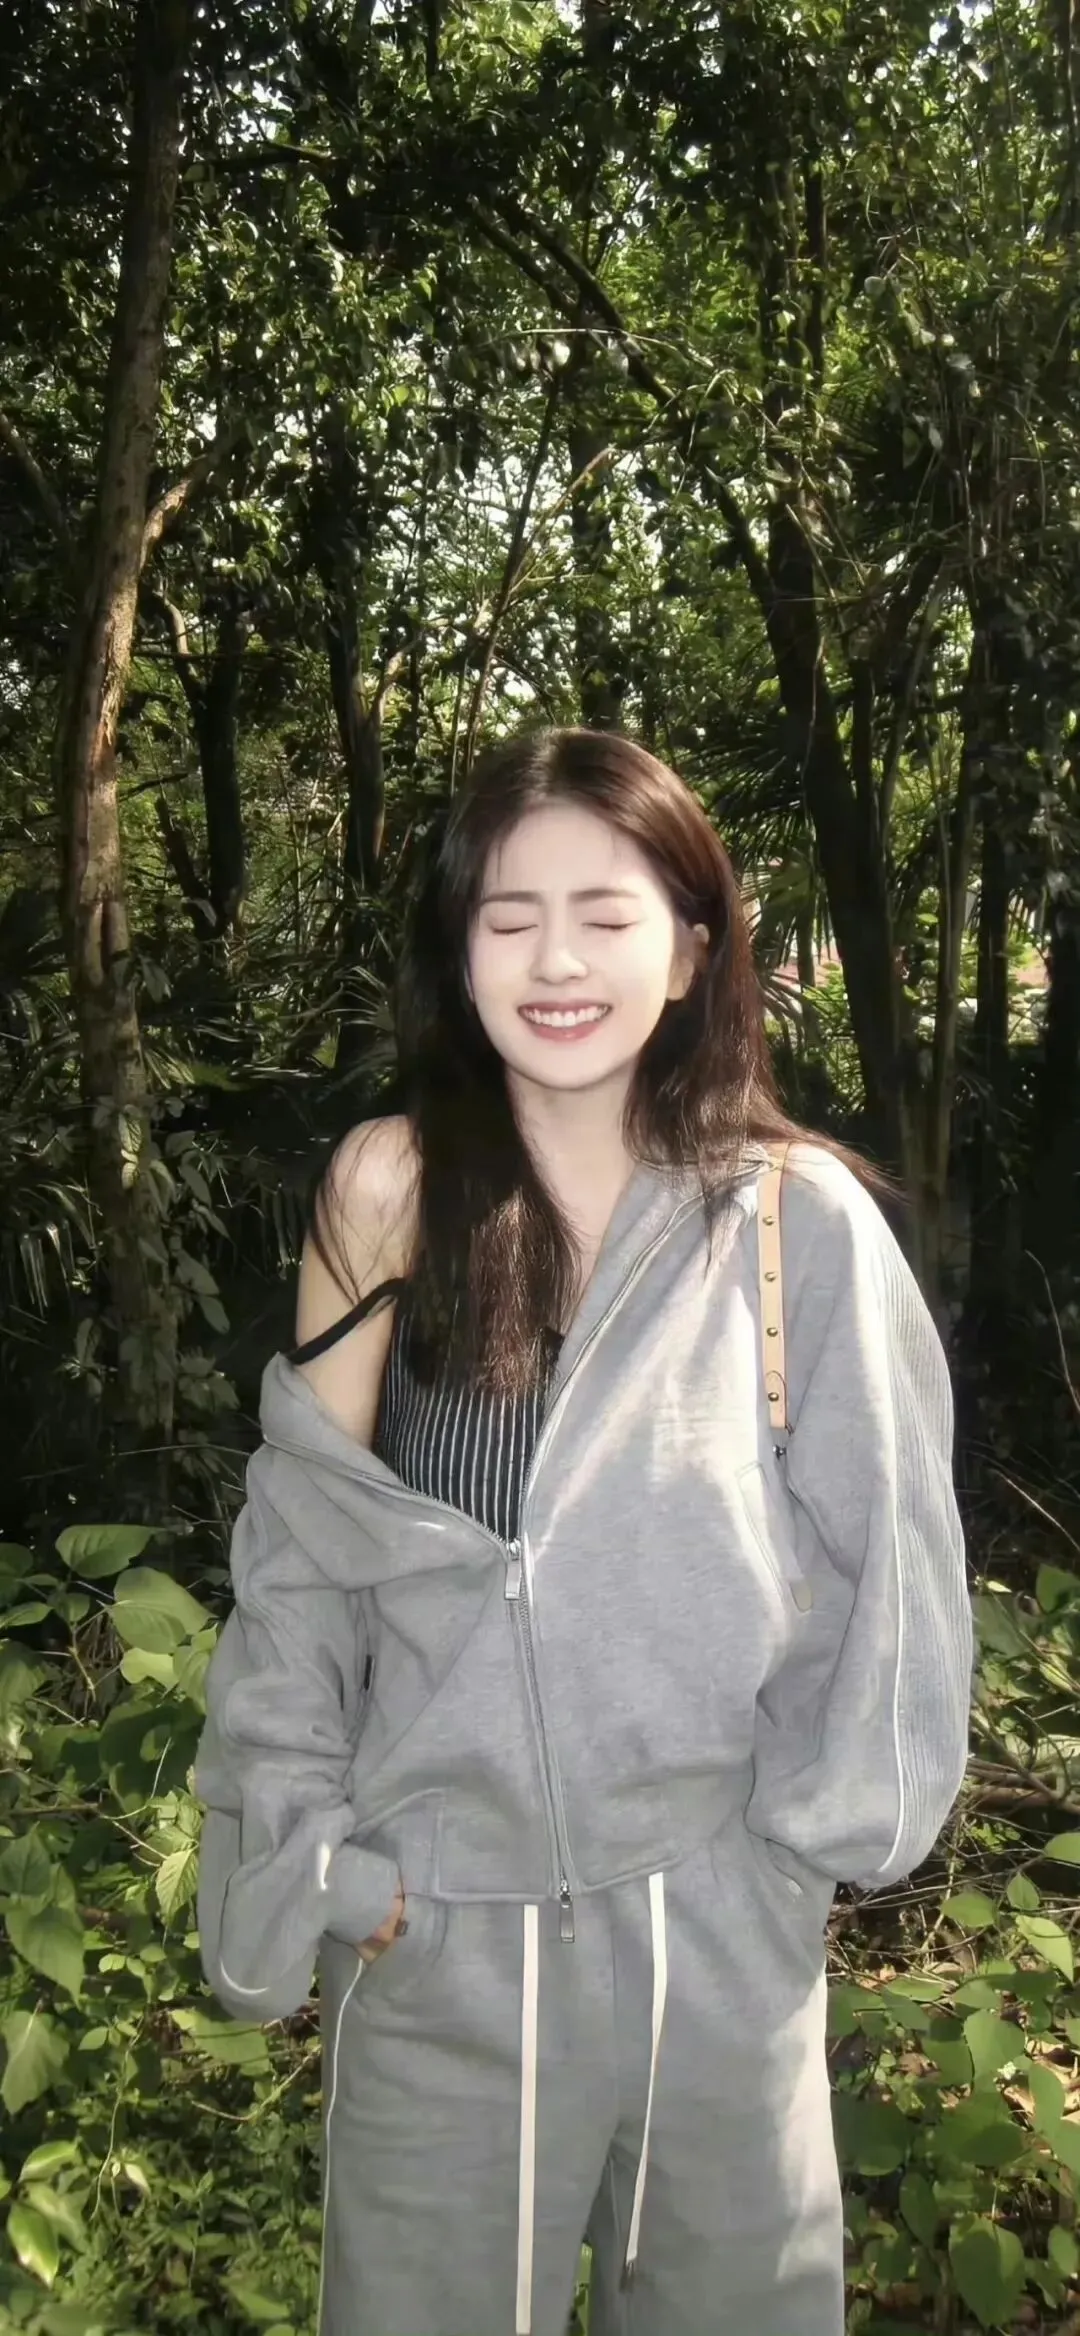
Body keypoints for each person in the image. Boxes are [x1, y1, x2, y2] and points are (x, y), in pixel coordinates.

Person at [195, 727, 973, 2336]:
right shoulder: (390, 1193)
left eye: (606, 915)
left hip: (718, 1946)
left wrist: (799, 1852)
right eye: (510, 916)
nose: (558, 960)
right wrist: (318, 1864)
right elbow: (302, 1558)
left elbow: (891, 1568)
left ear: (688, 951)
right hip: (438, 1941)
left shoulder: (793, 1222)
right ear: (460, 948)